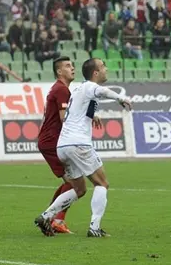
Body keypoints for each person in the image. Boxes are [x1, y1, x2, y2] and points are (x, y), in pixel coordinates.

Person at [34, 58, 132, 238]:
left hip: (63, 146)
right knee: (102, 183)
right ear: (95, 73)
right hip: (78, 144)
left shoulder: (78, 90)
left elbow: (77, 111)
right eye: (103, 67)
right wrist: (121, 98)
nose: (106, 69)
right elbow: (101, 91)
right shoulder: (88, 87)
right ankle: (95, 227)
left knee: (79, 189)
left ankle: (46, 216)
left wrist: (92, 115)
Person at [36, 57, 79, 234]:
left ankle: (53, 218)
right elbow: (64, 119)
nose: (73, 68)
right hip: (53, 142)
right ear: (59, 72)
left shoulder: (59, 89)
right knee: (76, 183)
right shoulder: (61, 90)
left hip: (51, 141)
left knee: (72, 182)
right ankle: (54, 218)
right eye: (68, 66)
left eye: (72, 65)